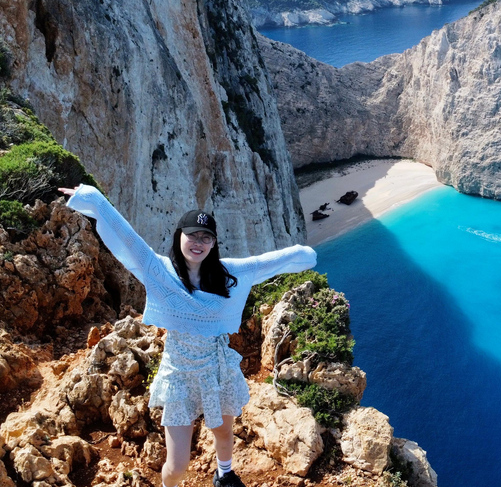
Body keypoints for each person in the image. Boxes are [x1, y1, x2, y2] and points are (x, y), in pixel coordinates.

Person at [59, 185, 317, 487]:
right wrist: (93, 199)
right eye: (193, 235)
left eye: (206, 237)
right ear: (179, 235)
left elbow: (268, 262)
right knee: (178, 464)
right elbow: (127, 240)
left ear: (214, 243)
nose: (199, 242)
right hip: (179, 376)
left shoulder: (228, 274)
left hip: (217, 370)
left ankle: (224, 475)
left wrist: (306, 255)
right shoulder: (159, 271)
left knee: (223, 432)